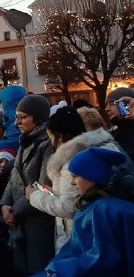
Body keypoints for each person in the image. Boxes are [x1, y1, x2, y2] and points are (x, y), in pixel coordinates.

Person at [28, 107, 133, 253]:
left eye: (51, 137)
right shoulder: (94, 151)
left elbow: (69, 207)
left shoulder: (74, 161)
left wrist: (34, 196)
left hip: (74, 238)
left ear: (60, 135)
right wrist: (54, 192)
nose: (72, 182)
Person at [47, 147, 134, 277]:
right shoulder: (103, 207)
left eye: (75, 176)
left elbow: (104, 260)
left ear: (92, 177)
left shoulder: (103, 210)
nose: (72, 183)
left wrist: (60, 269)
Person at [0, 94, 54, 277]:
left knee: (39, 274)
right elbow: (14, 176)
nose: (16, 123)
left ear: (37, 117)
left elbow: (44, 184)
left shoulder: (47, 144)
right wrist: (5, 204)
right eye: (16, 117)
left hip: (38, 221)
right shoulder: (26, 140)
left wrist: (15, 210)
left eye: (22, 117)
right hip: (20, 220)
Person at [105, 87, 134, 160]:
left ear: (127, 104)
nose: (107, 109)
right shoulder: (112, 135)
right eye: (106, 104)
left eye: (111, 104)